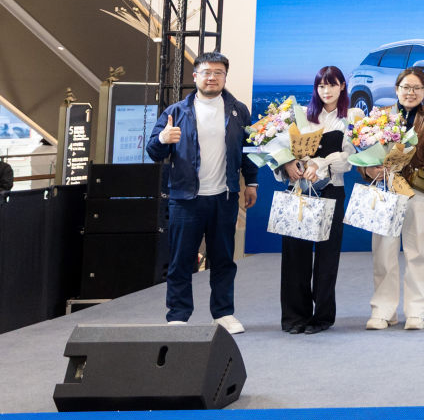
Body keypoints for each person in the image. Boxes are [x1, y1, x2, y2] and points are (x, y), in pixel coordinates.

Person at [146, 52, 258, 333]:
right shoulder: (175, 112)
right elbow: (153, 151)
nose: (212, 77)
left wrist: (252, 183)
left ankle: (223, 314)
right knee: (181, 260)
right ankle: (178, 315)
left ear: (225, 77)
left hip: (224, 197)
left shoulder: (238, 110)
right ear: (195, 76)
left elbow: (248, 150)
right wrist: (162, 139)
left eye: (218, 73)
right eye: (207, 72)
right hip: (185, 199)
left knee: (224, 260)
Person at [358, 67, 424, 331]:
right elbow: (362, 150)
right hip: (386, 190)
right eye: (406, 87)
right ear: (396, 89)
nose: (411, 92)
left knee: (418, 251)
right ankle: (383, 310)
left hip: (418, 191)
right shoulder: (380, 116)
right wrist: (367, 170)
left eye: (417, 88)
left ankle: (416, 311)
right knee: (383, 252)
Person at [273, 66, 352, 334]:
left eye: (332, 85)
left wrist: (321, 164)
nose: (326, 91)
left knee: (327, 257)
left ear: (342, 86)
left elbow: (350, 157)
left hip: (331, 191)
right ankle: (295, 317)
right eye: (321, 86)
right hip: (298, 190)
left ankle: (323, 317)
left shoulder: (351, 117)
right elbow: (280, 148)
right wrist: (287, 164)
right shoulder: (300, 117)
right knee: (295, 255)